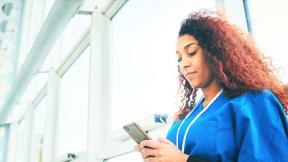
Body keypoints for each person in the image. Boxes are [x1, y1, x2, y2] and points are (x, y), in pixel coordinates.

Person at [135, 10, 288, 162]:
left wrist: (183, 160)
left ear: (216, 52)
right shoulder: (185, 118)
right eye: (179, 59)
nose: (184, 64)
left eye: (192, 52)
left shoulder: (255, 102)